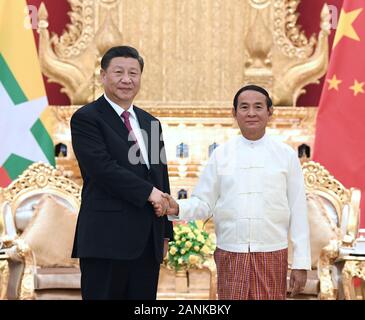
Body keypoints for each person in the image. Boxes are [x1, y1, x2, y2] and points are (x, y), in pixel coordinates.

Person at [154, 85, 311, 300]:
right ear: (234, 113)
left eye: (258, 107)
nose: (251, 113)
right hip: (231, 253)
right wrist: (177, 207)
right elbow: (204, 203)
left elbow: (298, 211)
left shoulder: (286, 155)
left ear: (270, 112)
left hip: (272, 253)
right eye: (244, 107)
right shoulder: (221, 155)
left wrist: (301, 263)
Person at [70, 46, 173, 300]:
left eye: (133, 73)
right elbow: (102, 169)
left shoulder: (150, 123)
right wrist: (150, 193)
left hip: (147, 243)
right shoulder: (87, 119)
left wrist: (165, 232)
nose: (126, 79)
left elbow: (160, 175)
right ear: (103, 76)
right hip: (106, 240)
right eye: (118, 72)